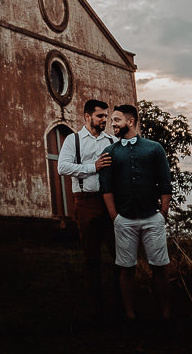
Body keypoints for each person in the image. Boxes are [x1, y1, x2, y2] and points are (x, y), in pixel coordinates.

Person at [99, 103, 172, 323]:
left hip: (153, 218)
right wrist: (115, 217)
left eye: (117, 120)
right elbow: (106, 187)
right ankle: (130, 315)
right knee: (126, 268)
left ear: (130, 121)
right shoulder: (110, 151)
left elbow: (165, 182)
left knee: (159, 267)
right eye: (112, 121)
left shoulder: (154, 148)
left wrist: (163, 212)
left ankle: (166, 313)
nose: (112, 124)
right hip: (124, 220)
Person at [55, 100, 117, 320]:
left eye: (106, 116)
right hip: (86, 200)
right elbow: (62, 167)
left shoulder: (112, 140)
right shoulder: (74, 140)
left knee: (118, 253)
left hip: (111, 201)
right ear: (87, 116)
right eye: (100, 116)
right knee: (91, 256)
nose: (104, 120)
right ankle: (95, 307)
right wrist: (93, 167)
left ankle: (119, 303)